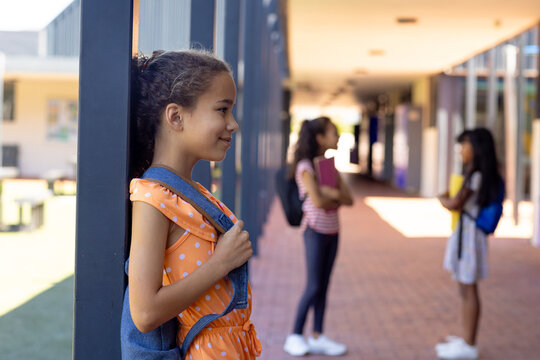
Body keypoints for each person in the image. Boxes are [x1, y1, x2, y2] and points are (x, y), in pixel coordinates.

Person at [127, 49, 261, 359]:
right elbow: (145, 312)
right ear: (175, 116)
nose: (233, 124)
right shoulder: (154, 198)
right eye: (222, 110)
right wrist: (220, 263)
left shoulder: (189, 193)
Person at [283, 117, 354, 356]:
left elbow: (349, 199)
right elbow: (319, 201)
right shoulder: (305, 167)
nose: (337, 137)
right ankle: (294, 336)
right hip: (314, 231)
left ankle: (317, 336)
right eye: (333, 133)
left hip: (333, 231)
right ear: (320, 138)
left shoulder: (329, 166)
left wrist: (329, 192)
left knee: (324, 285)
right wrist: (330, 194)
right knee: (313, 285)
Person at [436, 128, 503, 359]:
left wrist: (442, 199)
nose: (462, 150)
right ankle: (465, 338)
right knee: (464, 287)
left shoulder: (476, 175)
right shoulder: (476, 174)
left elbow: (455, 203)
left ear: (477, 149)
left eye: (465, 145)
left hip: (470, 238)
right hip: (466, 235)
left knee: (469, 287)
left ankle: (470, 343)